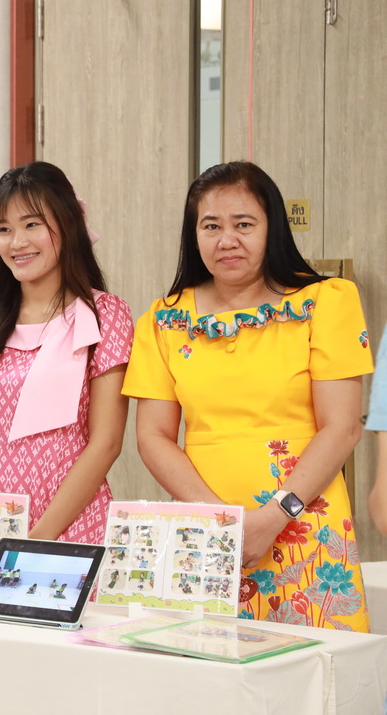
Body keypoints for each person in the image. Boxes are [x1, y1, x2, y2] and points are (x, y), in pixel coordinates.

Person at [123, 161, 373, 630]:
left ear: (271, 228)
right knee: (208, 665)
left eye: (243, 224)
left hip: (303, 522)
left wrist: (274, 517)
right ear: (193, 234)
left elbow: (342, 427)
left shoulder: (326, 302)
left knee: (315, 668)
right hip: (209, 534)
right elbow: (152, 437)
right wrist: (220, 521)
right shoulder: (163, 320)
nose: (227, 240)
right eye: (211, 226)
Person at [0, 162, 132, 544]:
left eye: (31, 225)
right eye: (4, 229)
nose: (17, 242)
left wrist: (37, 538)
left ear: (68, 225)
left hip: (78, 529)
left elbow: (106, 441)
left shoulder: (106, 315)